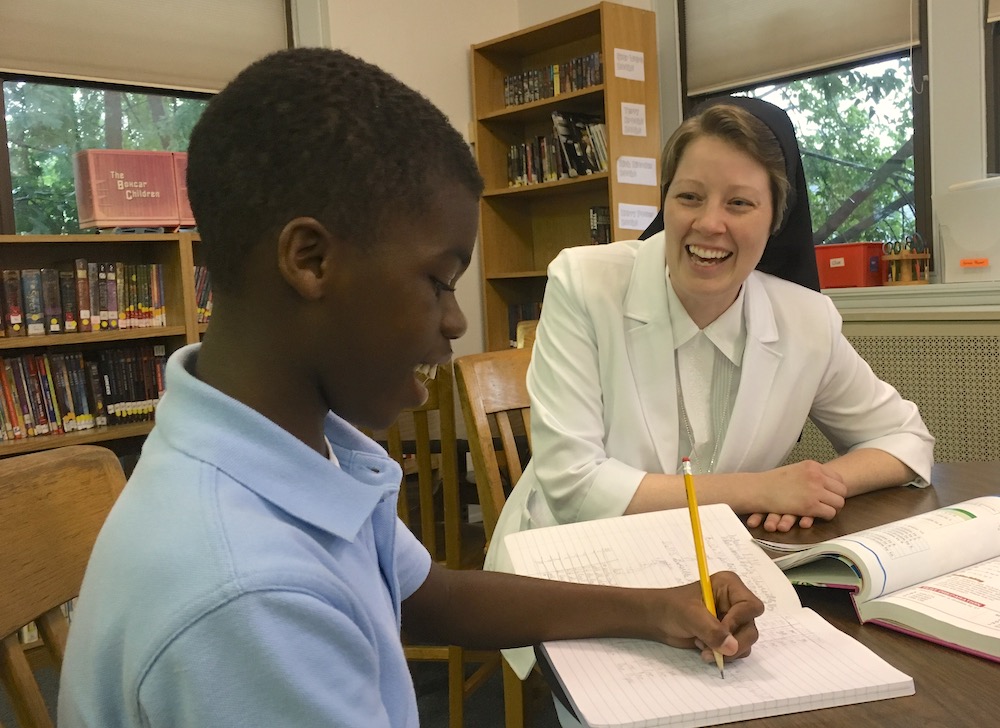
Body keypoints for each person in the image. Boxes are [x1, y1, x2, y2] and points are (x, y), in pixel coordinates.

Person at [56, 49, 764, 728]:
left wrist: (656, 607)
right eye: (439, 281)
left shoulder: (296, 443)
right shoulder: (249, 595)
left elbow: (432, 596)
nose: (456, 319)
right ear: (311, 260)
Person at [487, 96, 934, 573]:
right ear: (666, 201)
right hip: (570, 568)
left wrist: (818, 484)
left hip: (714, 571)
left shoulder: (806, 319)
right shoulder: (584, 282)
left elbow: (906, 440)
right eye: (689, 197)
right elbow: (575, 488)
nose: (708, 224)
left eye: (739, 203)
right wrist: (760, 489)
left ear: (774, 218)